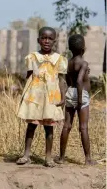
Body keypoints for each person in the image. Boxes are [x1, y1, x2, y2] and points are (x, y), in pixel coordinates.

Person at [16, 27, 67, 167]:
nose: (46, 41)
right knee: (31, 125)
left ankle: (48, 157)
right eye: (43, 38)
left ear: (54, 41)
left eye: (50, 38)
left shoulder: (59, 59)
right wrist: (24, 94)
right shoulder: (33, 57)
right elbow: (28, 77)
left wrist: (63, 98)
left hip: (51, 97)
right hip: (35, 96)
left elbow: (62, 80)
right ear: (39, 40)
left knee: (49, 127)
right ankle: (26, 155)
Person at [56, 34, 96, 165]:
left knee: (67, 125)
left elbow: (69, 80)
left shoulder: (68, 62)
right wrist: (79, 100)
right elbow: (79, 81)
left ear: (70, 49)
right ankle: (88, 159)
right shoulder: (83, 63)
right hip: (81, 95)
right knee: (83, 127)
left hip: (70, 92)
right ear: (83, 49)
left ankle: (61, 158)